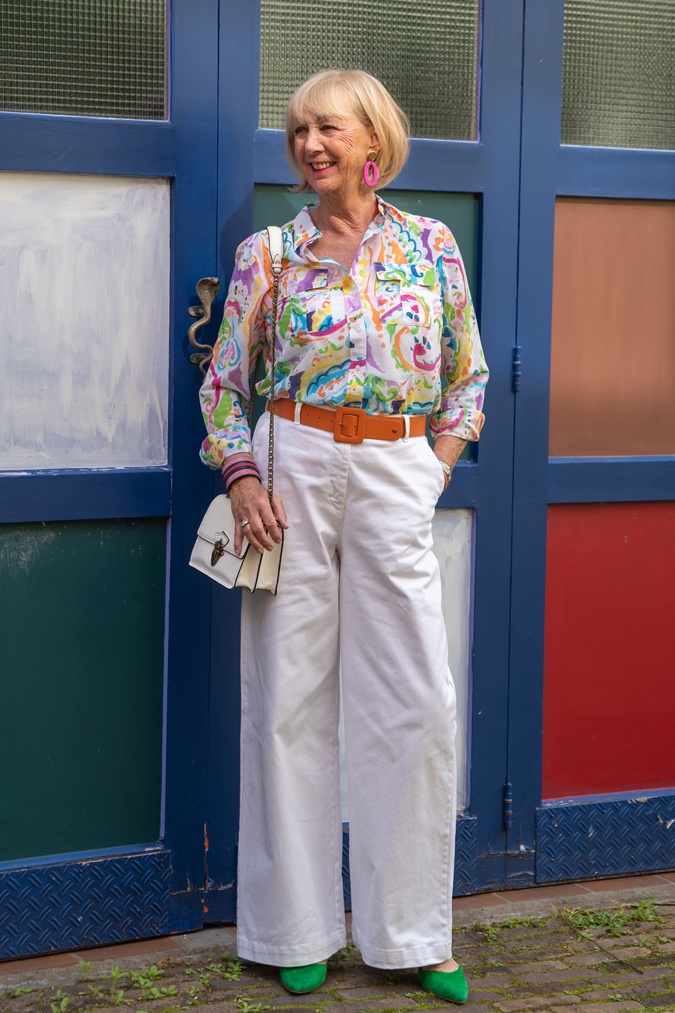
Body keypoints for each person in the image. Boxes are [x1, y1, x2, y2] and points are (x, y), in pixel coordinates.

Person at [199, 69, 488, 1004]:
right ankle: (294, 928)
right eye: (296, 132)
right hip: (290, 468)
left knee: (414, 696)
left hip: (397, 468)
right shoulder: (267, 254)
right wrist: (242, 475)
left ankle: (411, 934)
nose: (309, 145)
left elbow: (468, 378)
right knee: (287, 693)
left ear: (372, 141)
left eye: (327, 129)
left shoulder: (430, 244)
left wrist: (430, 469)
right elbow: (221, 385)